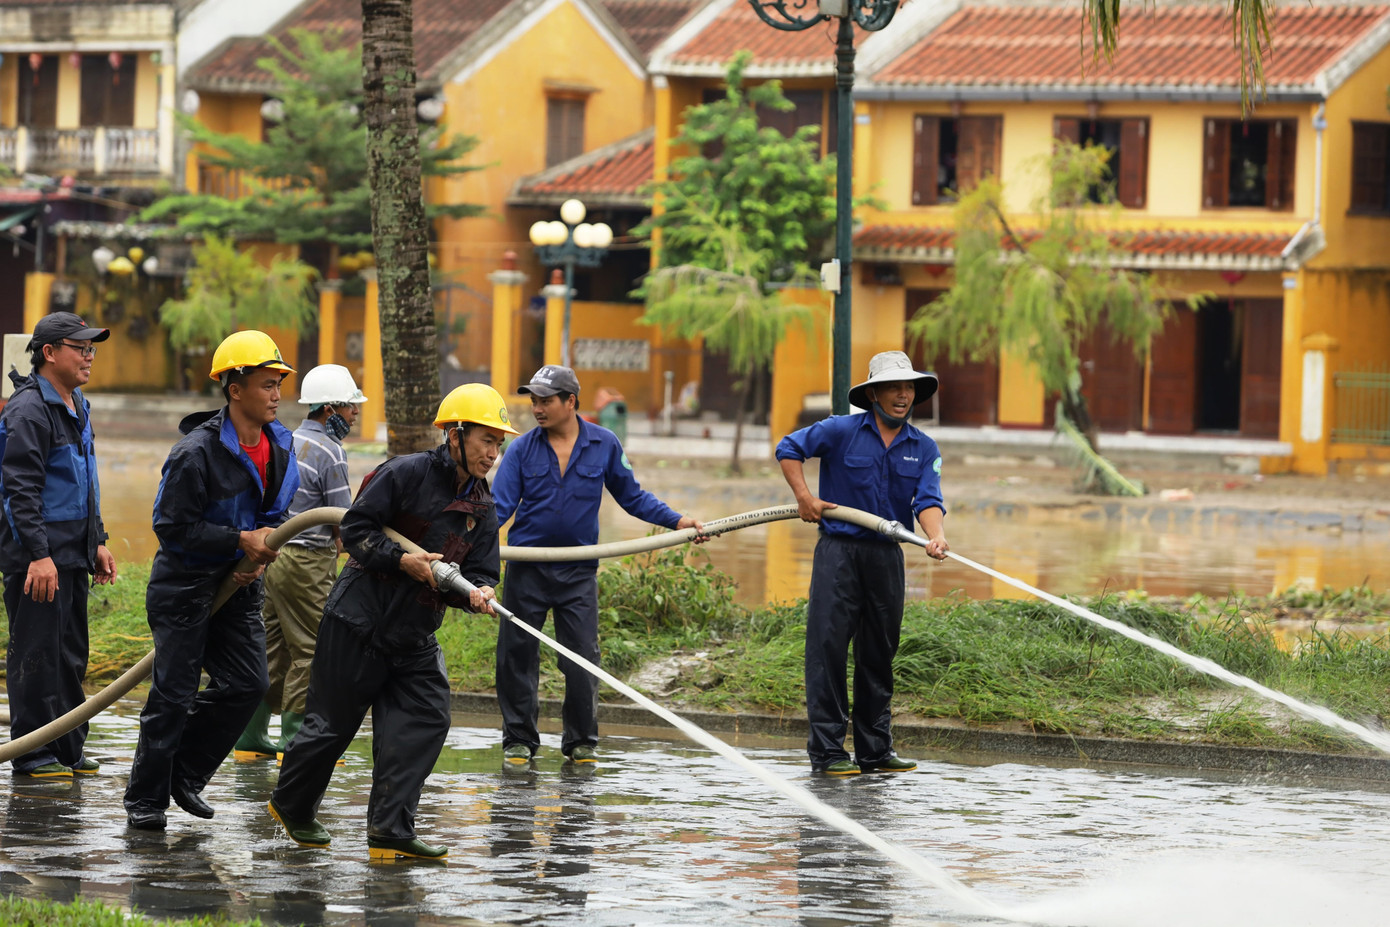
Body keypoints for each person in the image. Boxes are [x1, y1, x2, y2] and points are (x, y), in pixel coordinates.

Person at [268, 383, 514, 861]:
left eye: (498, 443)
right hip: (358, 621)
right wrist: (403, 561)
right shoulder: (404, 473)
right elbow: (354, 531)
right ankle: (291, 805)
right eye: (486, 440)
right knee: (331, 728)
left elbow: (483, 571)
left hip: (414, 633)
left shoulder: (483, 507)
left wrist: (479, 594)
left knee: (425, 717)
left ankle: (390, 828)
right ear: (455, 434)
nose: (493, 453)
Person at [124, 330, 299, 830]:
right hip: (184, 585)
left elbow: (275, 515)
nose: (276, 395)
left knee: (249, 683)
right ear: (234, 389)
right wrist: (239, 540)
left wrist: (257, 554)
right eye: (266, 385)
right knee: (174, 694)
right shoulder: (195, 453)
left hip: (240, 584)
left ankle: (185, 773)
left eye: (278, 384)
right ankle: (146, 800)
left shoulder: (280, 445)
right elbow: (171, 527)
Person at [492, 365, 706, 767]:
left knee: (581, 658)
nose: (537, 408)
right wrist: (466, 541)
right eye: (534, 401)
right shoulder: (521, 449)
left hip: (577, 572)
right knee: (516, 656)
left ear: (570, 401)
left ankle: (580, 742)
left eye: (545, 401)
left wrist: (678, 521)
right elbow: (498, 508)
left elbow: (632, 497)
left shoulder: (604, 444)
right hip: (526, 567)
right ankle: (518, 740)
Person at [775, 351, 948, 777]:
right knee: (828, 649)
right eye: (894, 387)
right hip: (839, 552)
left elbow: (928, 500)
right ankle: (828, 752)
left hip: (886, 556)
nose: (903, 395)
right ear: (873, 394)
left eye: (909, 388)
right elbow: (788, 448)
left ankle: (875, 750)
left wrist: (936, 535)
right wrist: (804, 497)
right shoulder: (840, 430)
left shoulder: (923, 447)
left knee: (879, 652)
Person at [0, 312, 117, 779]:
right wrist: (38, 555)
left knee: (70, 656)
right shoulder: (29, 410)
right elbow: (19, 491)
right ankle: (33, 754)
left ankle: (67, 748)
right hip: (39, 561)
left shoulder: (77, 403)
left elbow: (86, 481)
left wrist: (98, 540)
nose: (89, 356)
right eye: (80, 348)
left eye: (92, 349)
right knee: (37, 654)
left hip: (71, 554)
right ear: (49, 353)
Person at [234, 364, 367, 760]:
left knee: (272, 647)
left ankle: (250, 737)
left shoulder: (286, 441)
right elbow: (342, 519)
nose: (355, 414)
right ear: (329, 410)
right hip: (307, 560)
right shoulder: (331, 450)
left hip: (272, 557)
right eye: (350, 407)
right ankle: (296, 741)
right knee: (312, 649)